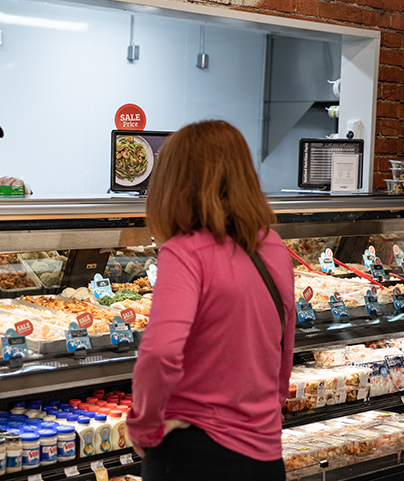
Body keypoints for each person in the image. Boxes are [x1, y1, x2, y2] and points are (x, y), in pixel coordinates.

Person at [127, 120, 296, 481]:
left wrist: (144, 425)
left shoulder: (185, 252)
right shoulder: (273, 246)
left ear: (176, 183)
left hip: (195, 454)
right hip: (265, 455)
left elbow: (160, 353)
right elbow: (284, 345)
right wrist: (267, 413)